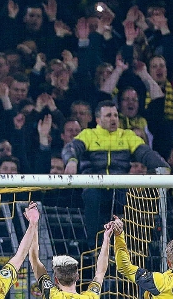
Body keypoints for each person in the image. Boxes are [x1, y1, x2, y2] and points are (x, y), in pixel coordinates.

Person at [62, 100, 167, 243]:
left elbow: (146, 153)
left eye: (116, 115)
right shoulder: (89, 134)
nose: (113, 119)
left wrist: (162, 166)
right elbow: (70, 148)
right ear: (98, 119)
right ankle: (94, 247)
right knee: (92, 196)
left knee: (136, 201)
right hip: (94, 188)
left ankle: (134, 245)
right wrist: (72, 161)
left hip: (119, 190)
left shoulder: (127, 135)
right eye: (108, 115)